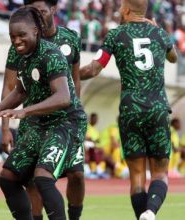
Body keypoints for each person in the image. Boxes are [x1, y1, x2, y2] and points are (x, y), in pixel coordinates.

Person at [0, 6, 85, 220]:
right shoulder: (24, 57)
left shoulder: (50, 54)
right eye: (12, 36)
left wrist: (26, 111)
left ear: (36, 31)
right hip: (40, 123)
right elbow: (20, 91)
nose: (16, 40)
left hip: (65, 123)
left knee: (44, 178)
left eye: (21, 35)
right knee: (7, 177)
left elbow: (63, 97)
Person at [79, 0, 178, 219]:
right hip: (158, 109)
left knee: (137, 178)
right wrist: (159, 30)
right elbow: (174, 57)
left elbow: (94, 69)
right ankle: (151, 212)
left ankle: (143, 215)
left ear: (125, 10)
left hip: (130, 110)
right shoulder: (160, 34)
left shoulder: (116, 35)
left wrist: (66, 74)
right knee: (160, 174)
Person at [1, 1, 86, 219]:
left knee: (76, 174)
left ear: (53, 10)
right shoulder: (20, 44)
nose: (37, 15)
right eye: (33, 12)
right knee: (32, 179)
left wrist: (75, 120)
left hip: (65, 120)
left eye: (42, 11)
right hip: (33, 120)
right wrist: (4, 128)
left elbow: (75, 82)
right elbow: (12, 87)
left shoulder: (70, 39)